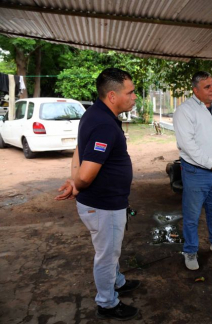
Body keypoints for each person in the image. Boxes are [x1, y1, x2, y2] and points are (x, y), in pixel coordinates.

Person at [54, 68, 140, 321]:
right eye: (131, 92)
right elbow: (88, 172)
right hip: (104, 206)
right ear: (112, 95)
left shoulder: (94, 114)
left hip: (104, 203)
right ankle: (107, 303)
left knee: (109, 248)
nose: (135, 96)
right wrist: (79, 183)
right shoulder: (103, 124)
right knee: (106, 254)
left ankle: (118, 281)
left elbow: (80, 150)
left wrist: (73, 179)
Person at [173, 71, 212, 271]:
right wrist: (211, 163)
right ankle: (190, 250)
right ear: (195, 90)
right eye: (207, 87)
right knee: (191, 215)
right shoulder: (185, 111)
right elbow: (187, 145)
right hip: (196, 172)